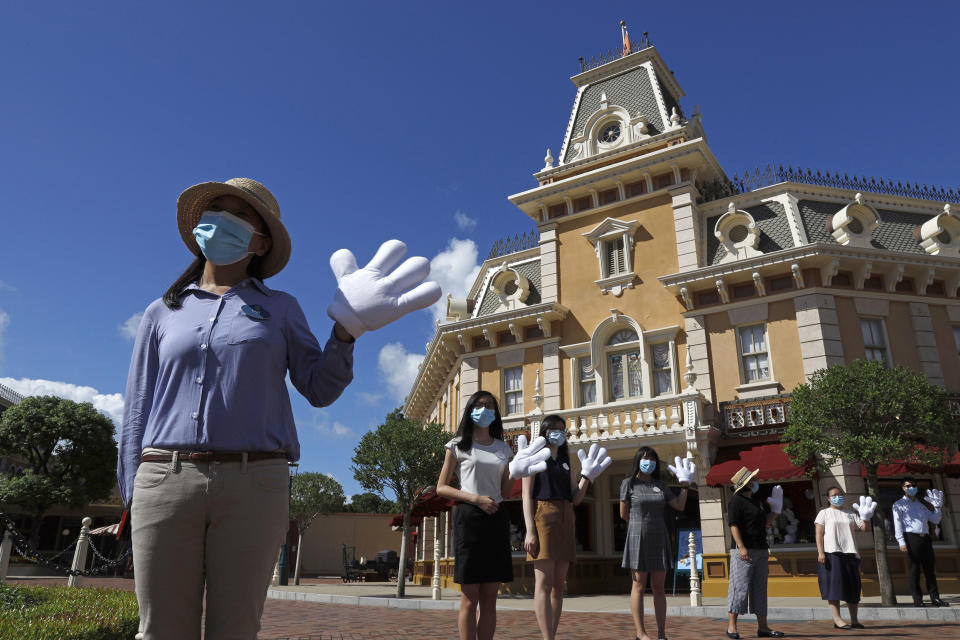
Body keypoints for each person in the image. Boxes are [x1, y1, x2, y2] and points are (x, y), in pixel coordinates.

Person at [118, 177, 440, 639]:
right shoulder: (161, 312)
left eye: (239, 214)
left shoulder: (282, 309)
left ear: (260, 241)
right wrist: (133, 489)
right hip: (164, 481)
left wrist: (347, 331)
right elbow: (137, 406)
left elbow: (319, 387)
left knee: (236, 629)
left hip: (256, 483)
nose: (221, 221)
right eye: (216, 210)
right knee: (160, 630)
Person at [436, 390, 550, 640]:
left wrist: (515, 470)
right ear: (470, 410)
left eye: (489, 406)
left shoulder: (502, 448)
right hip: (470, 518)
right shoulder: (457, 445)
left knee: (490, 598)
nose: (484, 410)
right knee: (469, 597)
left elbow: (505, 491)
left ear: (496, 413)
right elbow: (441, 487)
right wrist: (475, 499)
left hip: (496, 519)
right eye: (478, 405)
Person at [521, 415, 612, 640]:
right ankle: (547, 638)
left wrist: (586, 476)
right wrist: (530, 530)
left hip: (566, 516)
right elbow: (525, 495)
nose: (558, 433)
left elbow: (577, 497)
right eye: (553, 428)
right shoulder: (533, 458)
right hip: (544, 515)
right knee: (543, 582)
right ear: (544, 431)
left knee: (559, 586)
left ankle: (553, 632)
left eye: (562, 429)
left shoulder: (564, 461)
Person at [620, 446, 696, 640]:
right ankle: (641, 632)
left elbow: (679, 505)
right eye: (646, 458)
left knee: (659, 587)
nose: (649, 462)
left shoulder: (661, 485)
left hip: (659, 536)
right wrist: (638, 526)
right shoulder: (628, 484)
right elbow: (623, 514)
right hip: (638, 536)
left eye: (653, 459)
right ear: (638, 460)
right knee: (638, 585)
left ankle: (662, 632)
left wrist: (685, 485)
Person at [725, 467, 784, 639]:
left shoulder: (756, 502)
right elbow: (733, 525)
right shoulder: (736, 501)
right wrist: (741, 546)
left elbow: (764, 524)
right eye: (752, 479)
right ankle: (732, 627)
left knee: (759, 588)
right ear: (746, 484)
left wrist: (776, 511)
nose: (755, 481)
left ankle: (763, 627)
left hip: (760, 548)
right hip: (743, 550)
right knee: (739, 588)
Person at [814, 487, 876, 629]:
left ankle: (854, 620)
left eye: (840, 494)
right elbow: (819, 534)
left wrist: (866, 518)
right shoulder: (824, 513)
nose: (838, 497)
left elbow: (864, 528)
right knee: (834, 587)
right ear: (828, 499)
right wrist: (821, 552)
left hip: (850, 553)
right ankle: (837, 619)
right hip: (832, 553)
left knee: (853, 588)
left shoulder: (850, 514)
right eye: (834, 495)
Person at [892, 477, 948, 607]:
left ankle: (935, 598)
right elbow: (898, 523)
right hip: (911, 538)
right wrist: (901, 541)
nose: (911, 488)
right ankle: (918, 599)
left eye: (913, 486)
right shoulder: (898, 504)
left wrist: (938, 507)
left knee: (930, 570)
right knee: (914, 569)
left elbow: (935, 520)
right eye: (908, 486)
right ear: (903, 488)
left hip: (926, 538)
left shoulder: (921, 504)